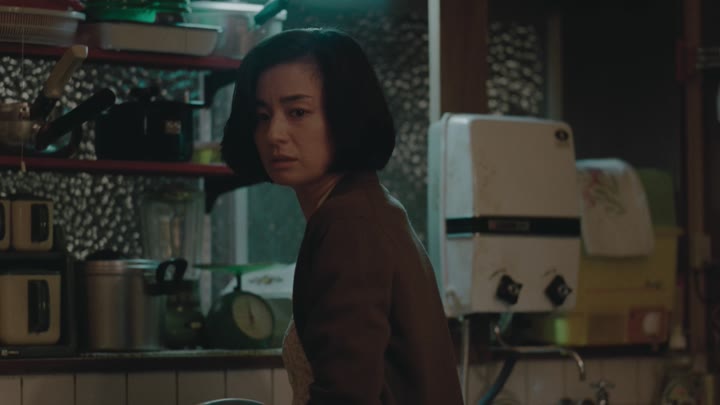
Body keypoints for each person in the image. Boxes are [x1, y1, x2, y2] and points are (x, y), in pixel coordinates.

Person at [221, 27, 464, 405]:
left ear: (344, 117)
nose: (274, 134)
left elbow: (346, 396)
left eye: (297, 112)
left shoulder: (349, 223)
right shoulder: (363, 207)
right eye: (262, 116)